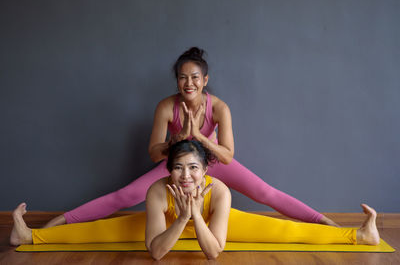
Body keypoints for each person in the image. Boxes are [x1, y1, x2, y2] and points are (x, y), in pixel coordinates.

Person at [43, 47, 338, 228]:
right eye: (183, 77)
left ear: (205, 80)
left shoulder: (219, 107)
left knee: (265, 193)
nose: (189, 83)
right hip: (178, 164)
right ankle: (53, 225)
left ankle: (328, 224)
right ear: (177, 81)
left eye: (195, 77)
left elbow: (227, 156)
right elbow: (154, 153)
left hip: (212, 161)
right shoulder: (166, 106)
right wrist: (178, 139)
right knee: (127, 195)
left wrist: (198, 136)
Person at [10, 140, 380, 260]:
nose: (185, 176)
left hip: (212, 224)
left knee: (284, 231)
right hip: (174, 222)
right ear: (167, 170)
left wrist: (195, 217)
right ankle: (28, 236)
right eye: (178, 169)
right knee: (101, 230)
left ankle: (359, 236)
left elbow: (214, 252)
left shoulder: (219, 190)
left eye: (193, 169)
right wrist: (180, 218)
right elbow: (155, 253)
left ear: (205, 170)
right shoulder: (158, 190)